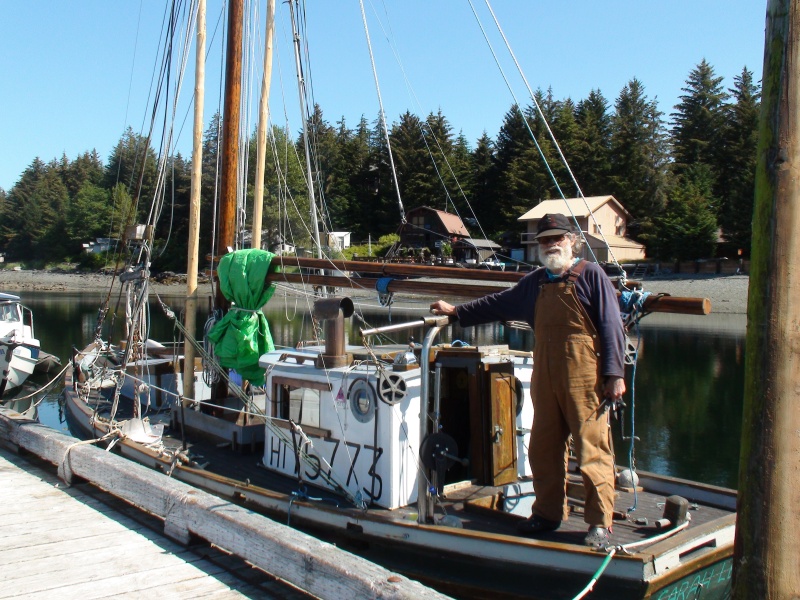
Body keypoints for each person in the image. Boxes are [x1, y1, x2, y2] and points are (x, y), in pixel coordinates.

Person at [429, 213, 626, 548]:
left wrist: (615, 375)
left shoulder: (591, 275)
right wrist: (457, 312)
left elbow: (611, 327)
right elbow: (497, 304)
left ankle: (600, 523)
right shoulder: (535, 283)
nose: (551, 245)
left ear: (572, 241)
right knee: (543, 447)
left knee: (592, 448)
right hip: (545, 373)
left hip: (586, 377)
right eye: (545, 240)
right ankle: (548, 513)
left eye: (557, 238)